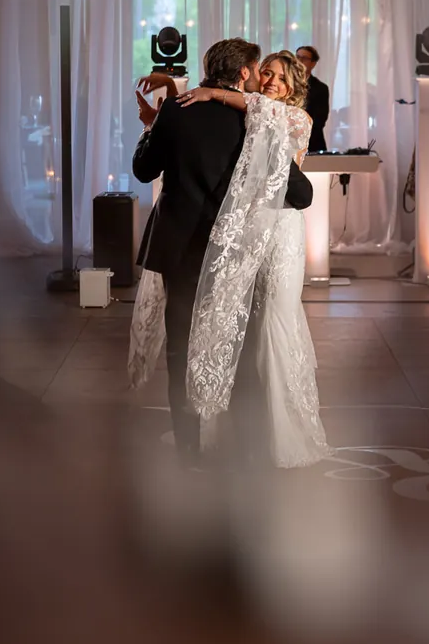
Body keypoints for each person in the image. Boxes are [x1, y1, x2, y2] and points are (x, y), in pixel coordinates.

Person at [129, 39, 315, 467]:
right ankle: (243, 445)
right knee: (238, 348)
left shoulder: (175, 112)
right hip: (232, 251)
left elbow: (143, 170)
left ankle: (189, 447)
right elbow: (300, 192)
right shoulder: (255, 121)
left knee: (179, 347)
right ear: (245, 72)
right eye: (259, 69)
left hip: (179, 249)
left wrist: (151, 127)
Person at [174, 50, 332, 468]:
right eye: (266, 73)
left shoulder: (297, 118)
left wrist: (212, 92)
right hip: (252, 225)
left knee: (276, 321)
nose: (270, 81)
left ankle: (286, 437)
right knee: (249, 325)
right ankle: (249, 429)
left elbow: (256, 108)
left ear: (293, 86)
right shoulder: (253, 116)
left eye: (279, 77)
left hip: (283, 229)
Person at [295, 45, 329, 153]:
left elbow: (319, 120)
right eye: (297, 57)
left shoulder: (320, 88)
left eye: (304, 58)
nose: (299, 61)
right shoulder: (285, 83)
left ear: (313, 63)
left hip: (312, 143)